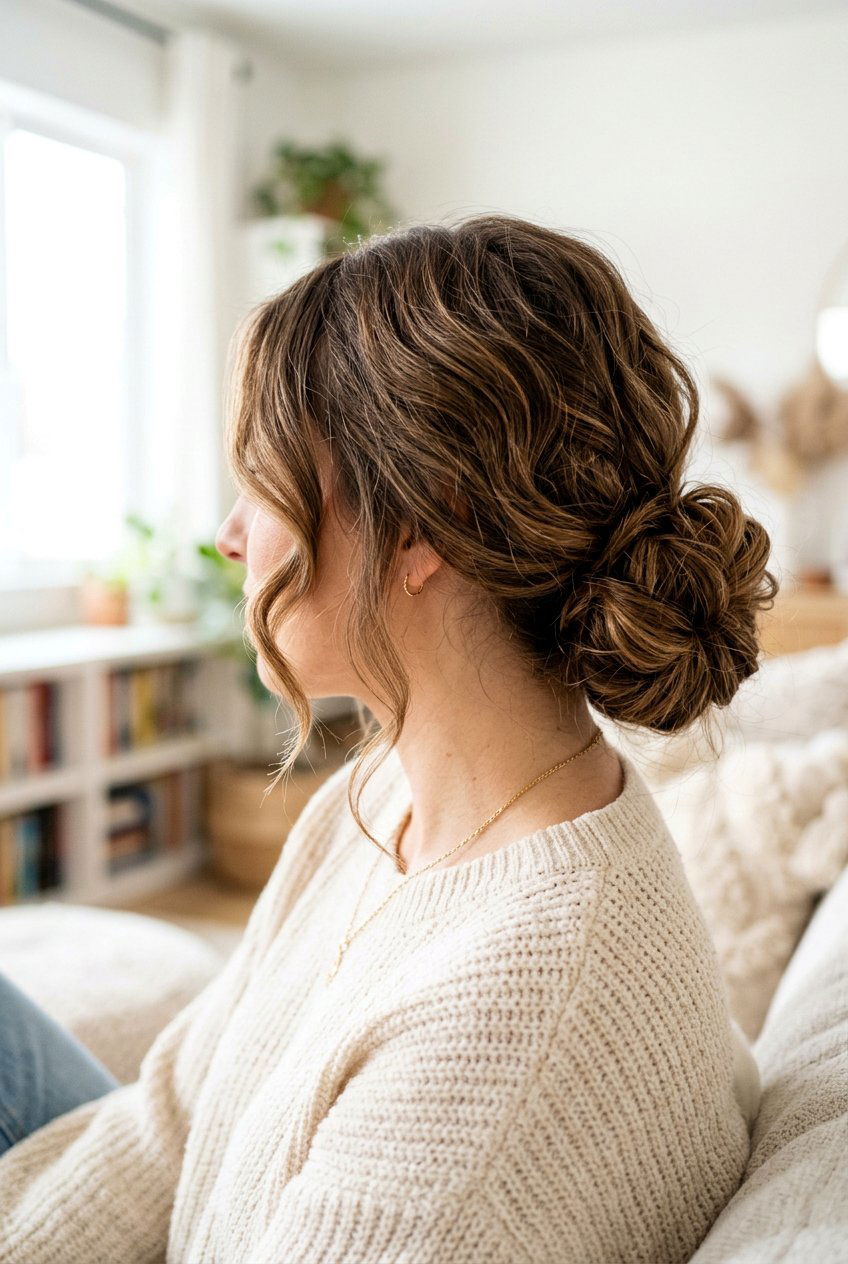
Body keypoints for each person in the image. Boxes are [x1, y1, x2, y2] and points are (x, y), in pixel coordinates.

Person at [0, 213, 776, 1263]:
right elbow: (175, 1111)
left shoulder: (502, 1044)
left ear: (421, 524)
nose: (229, 536)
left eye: (261, 478)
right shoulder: (381, 793)